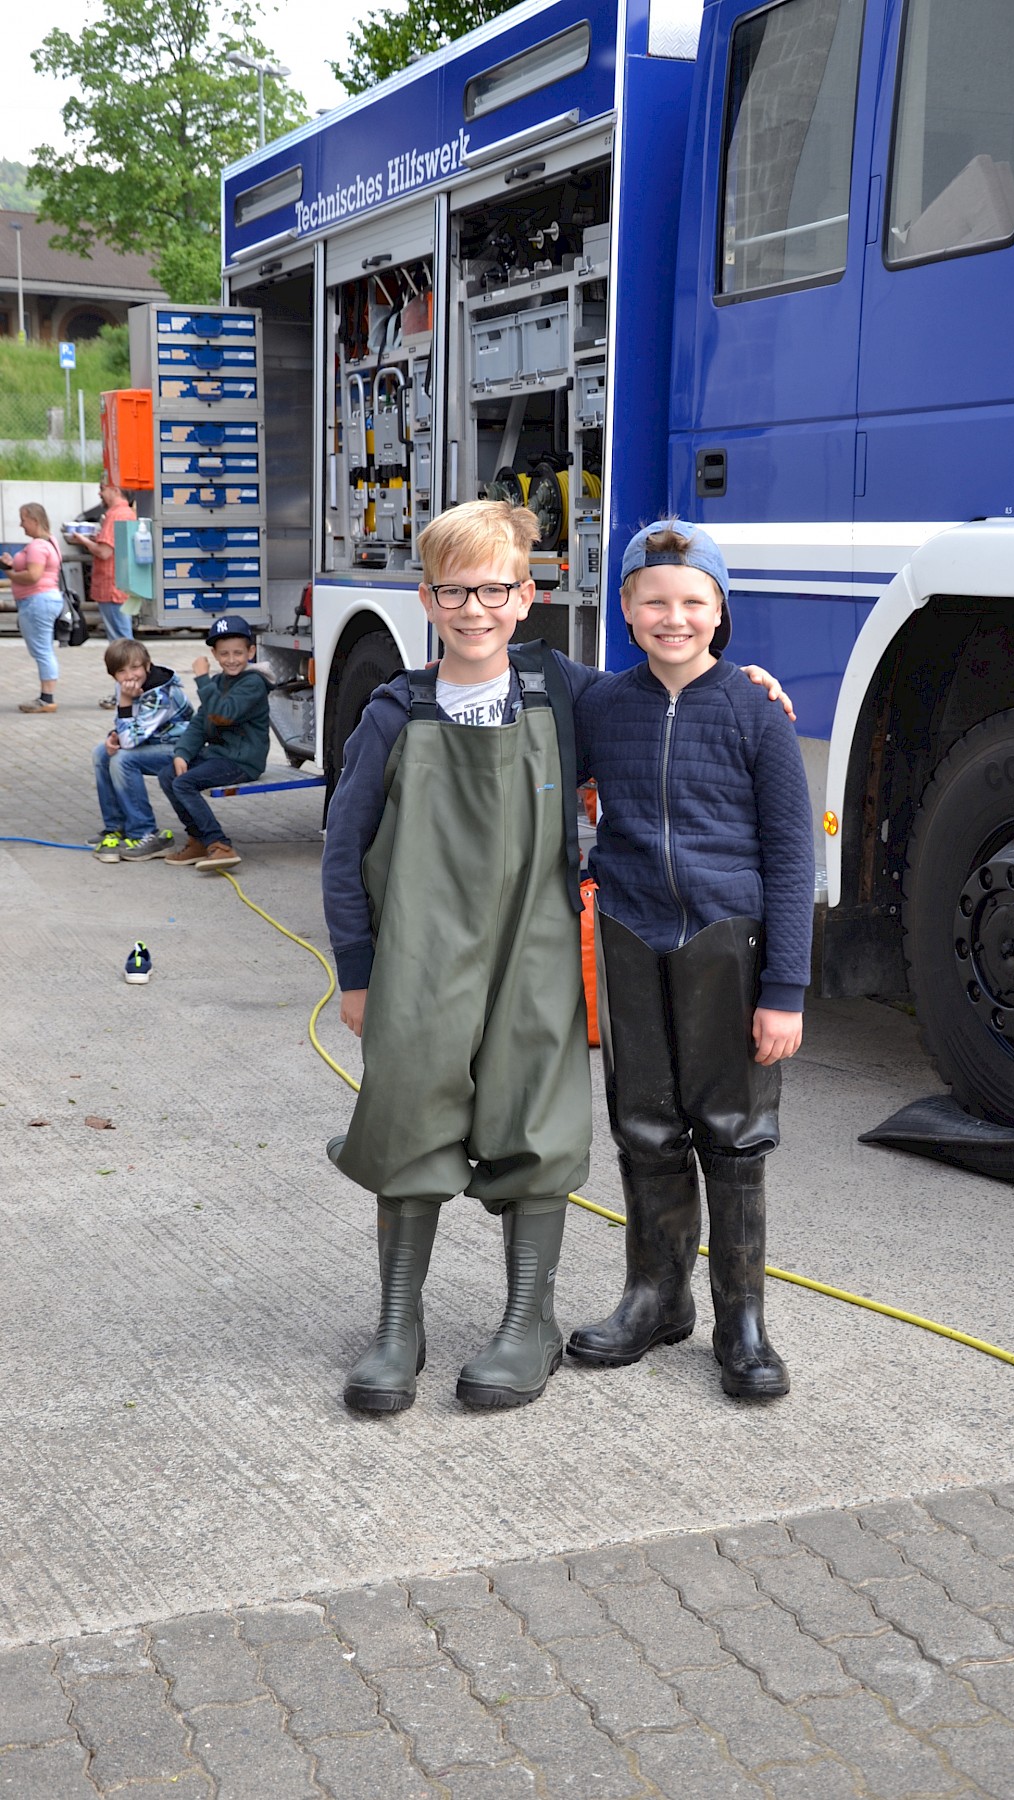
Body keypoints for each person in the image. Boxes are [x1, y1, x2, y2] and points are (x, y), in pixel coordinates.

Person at [322, 501, 596, 1416]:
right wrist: (356, 971)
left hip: (534, 941)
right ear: (426, 597)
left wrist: (740, 684)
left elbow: (666, 712)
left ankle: (529, 1321)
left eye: (493, 588)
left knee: (533, 1111)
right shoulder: (396, 710)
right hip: (418, 951)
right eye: (453, 591)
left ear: (527, 595)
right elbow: (343, 844)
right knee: (408, 1109)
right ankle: (399, 1324)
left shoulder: (564, 693)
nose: (474, 608)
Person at [567, 520, 814, 1401]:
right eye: (655, 602)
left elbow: (791, 859)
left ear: (721, 612)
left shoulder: (755, 711)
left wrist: (782, 989)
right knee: (645, 1125)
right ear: (627, 612)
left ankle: (741, 1321)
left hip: (727, 946)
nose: (675, 618)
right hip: (632, 935)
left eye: (693, 603)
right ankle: (655, 1297)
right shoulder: (599, 705)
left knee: (736, 1134)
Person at [158, 614, 270, 871]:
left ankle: (220, 844)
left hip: (242, 760)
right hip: (220, 755)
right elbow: (201, 722)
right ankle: (198, 840)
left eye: (238, 653)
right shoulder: (220, 682)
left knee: (184, 783)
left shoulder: (254, 683)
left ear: (251, 651)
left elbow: (223, 714)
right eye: (225, 654)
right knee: (169, 775)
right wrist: (182, 753)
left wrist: (202, 679)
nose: (232, 659)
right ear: (215, 654)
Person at [92, 640, 194, 862]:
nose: (130, 675)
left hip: (178, 749)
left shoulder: (161, 694)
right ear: (113, 675)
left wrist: (125, 702)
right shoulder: (126, 686)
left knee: (122, 759)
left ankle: (145, 833)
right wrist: (113, 736)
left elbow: (130, 741)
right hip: (151, 740)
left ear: (148, 665)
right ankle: (116, 828)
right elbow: (128, 727)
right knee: (101, 753)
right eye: (121, 670)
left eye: (135, 667)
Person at [66, 481, 137, 701]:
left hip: (112, 587)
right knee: (124, 641)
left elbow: (104, 552)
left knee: (120, 645)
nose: (100, 493)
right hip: (122, 586)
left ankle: (126, 693)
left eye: (103, 488)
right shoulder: (127, 513)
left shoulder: (116, 514)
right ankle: (129, 690)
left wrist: (82, 540)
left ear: (115, 490)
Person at [1, 503, 66, 714]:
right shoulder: (51, 541)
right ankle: (46, 695)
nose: (21, 524)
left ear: (34, 520)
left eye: (23, 519)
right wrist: (12, 565)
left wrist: (10, 574)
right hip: (45, 599)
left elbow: (33, 576)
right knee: (43, 649)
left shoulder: (38, 545)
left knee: (42, 650)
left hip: (36, 601)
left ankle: (47, 698)